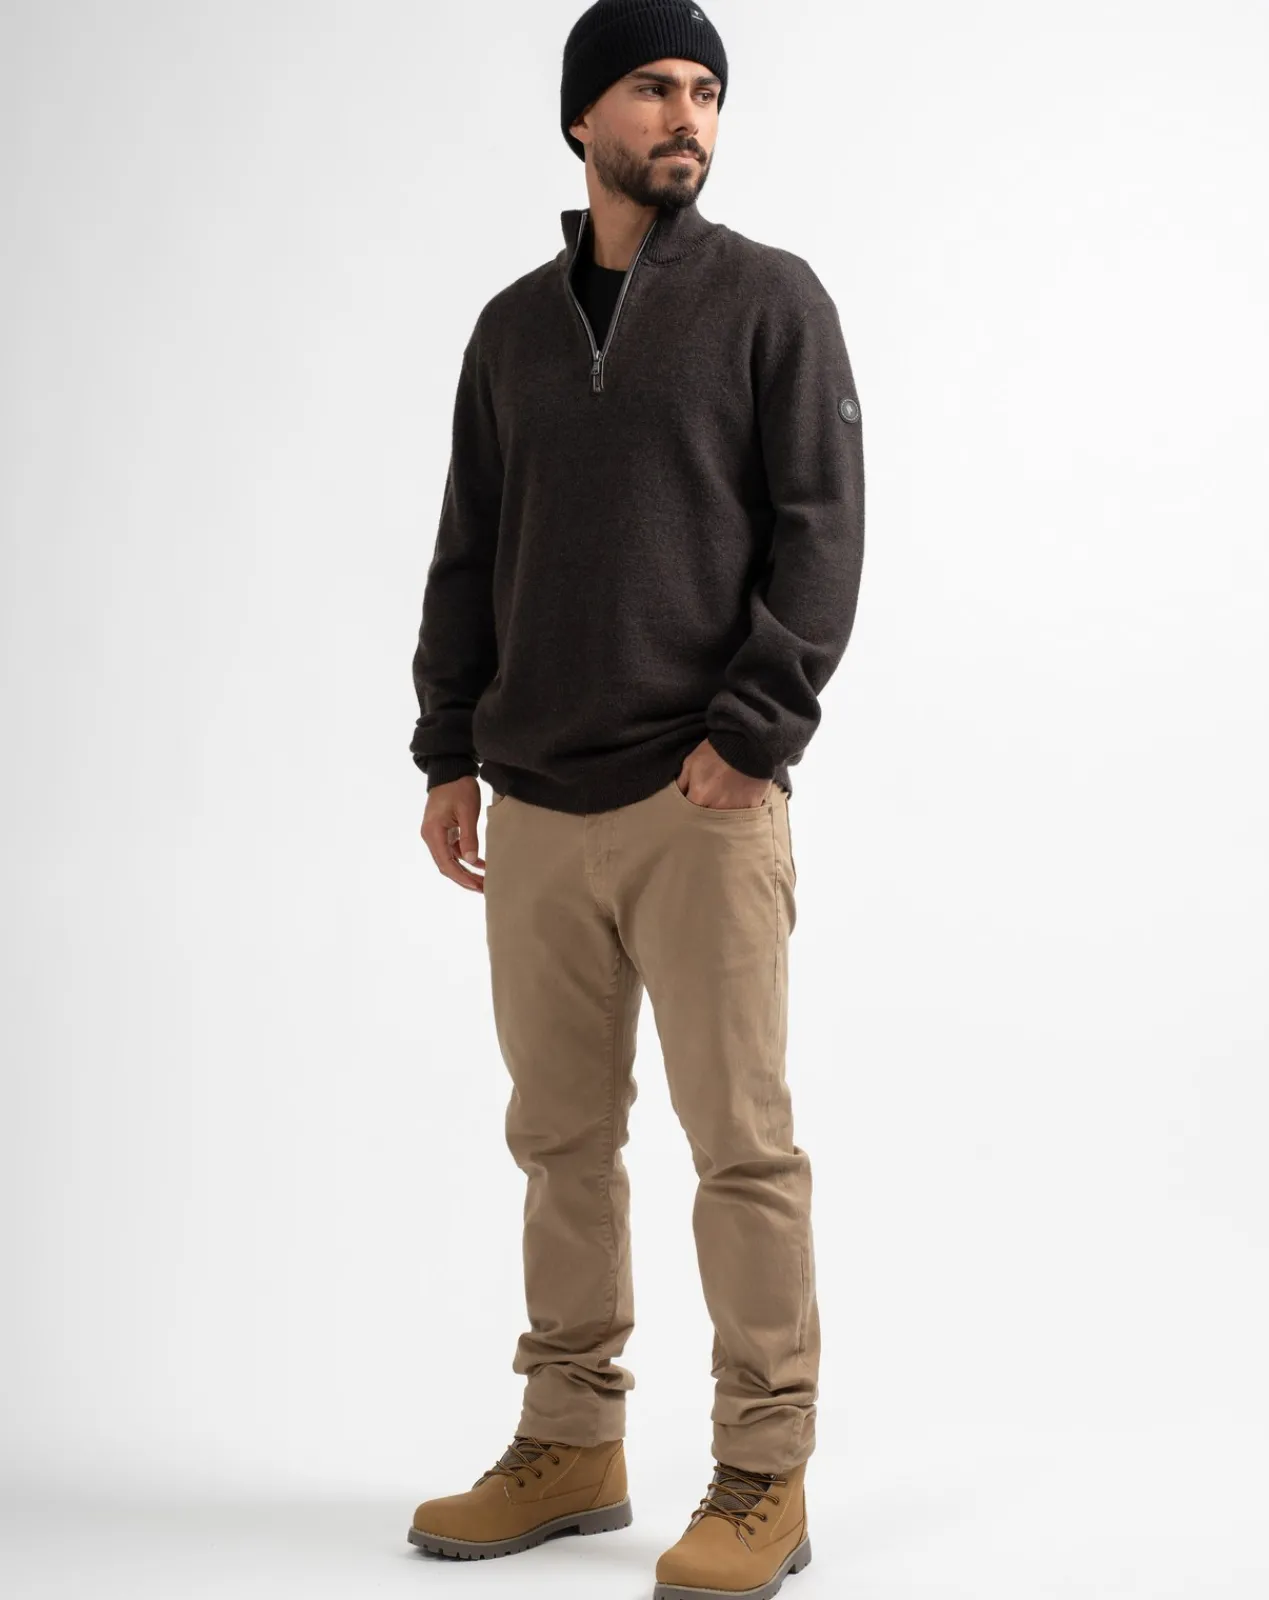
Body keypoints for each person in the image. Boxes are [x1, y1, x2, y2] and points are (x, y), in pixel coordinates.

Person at [406, 1, 864, 1593]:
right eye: (655, 87)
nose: (688, 115)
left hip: (704, 803)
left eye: (707, 92)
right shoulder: (510, 333)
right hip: (534, 806)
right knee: (559, 1142)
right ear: (581, 118)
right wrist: (447, 748)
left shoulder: (770, 301)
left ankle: (763, 1472)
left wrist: (754, 731)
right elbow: (468, 550)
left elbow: (822, 532)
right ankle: (570, 1441)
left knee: (741, 1147)